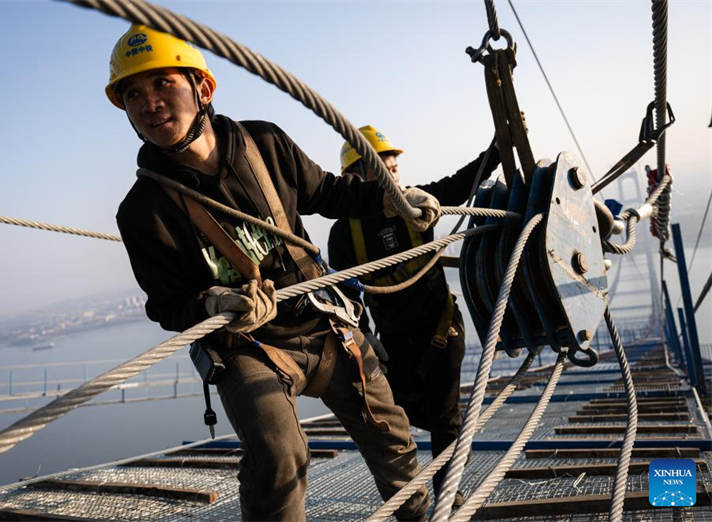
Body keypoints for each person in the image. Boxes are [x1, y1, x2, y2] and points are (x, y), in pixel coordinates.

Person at [109, 25, 441, 521]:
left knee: (390, 433)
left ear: (202, 88)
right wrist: (213, 305)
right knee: (279, 455)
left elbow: (331, 193)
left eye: (163, 84)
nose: (148, 102)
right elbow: (167, 304)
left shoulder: (263, 143)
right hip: (250, 349)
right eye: (133, 93)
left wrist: (395, 200)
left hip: (325, 324)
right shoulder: (143, 210)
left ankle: (421, 517)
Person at [327, 126, 500, 498]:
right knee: (401, 413)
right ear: (356, 176)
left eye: (394, 167)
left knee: (445, 417)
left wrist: (498, 149)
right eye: (382, 166)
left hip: (439, 328)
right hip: (392, 341)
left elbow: (460, 184)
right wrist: (365, 340)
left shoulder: (417, 206)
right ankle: (422, 483)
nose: (393, 173)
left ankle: (448, 493)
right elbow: (346, 298)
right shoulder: (345, 234)